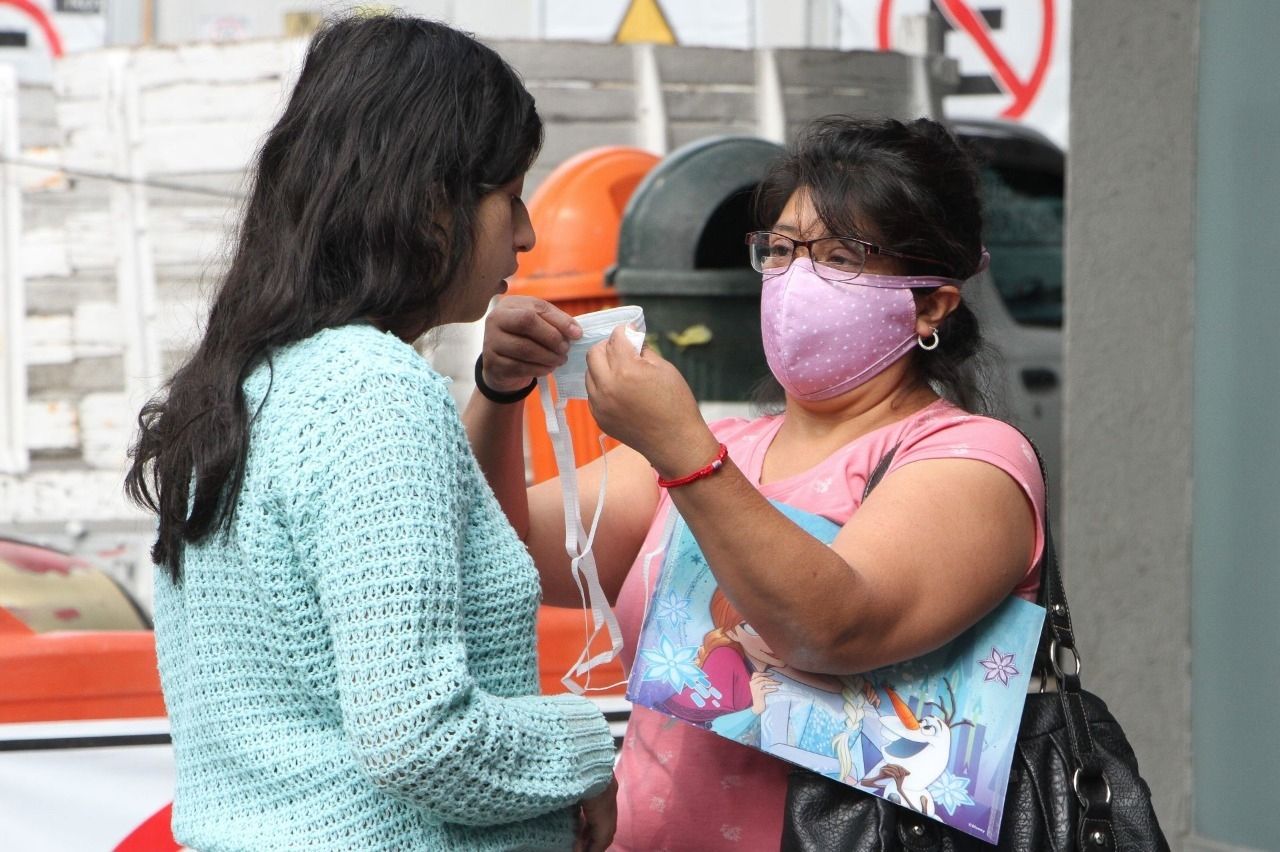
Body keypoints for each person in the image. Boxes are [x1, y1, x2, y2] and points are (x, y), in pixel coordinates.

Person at [466, 115, 1046, 850]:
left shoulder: (973, 461)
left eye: (842, 255)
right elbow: (507, 548)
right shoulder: (723, 450)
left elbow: (831, 627)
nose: (797, 278)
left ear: (931, 303)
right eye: (780, 249)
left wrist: (686, 456)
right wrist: (498, 391)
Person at [124, 15, 617, 852]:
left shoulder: (248, 379)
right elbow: (420, 737)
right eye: (510, 195)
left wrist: (498, 390)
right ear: (431, 204)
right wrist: (591, 746)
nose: (527, 234)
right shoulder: (372, 388)